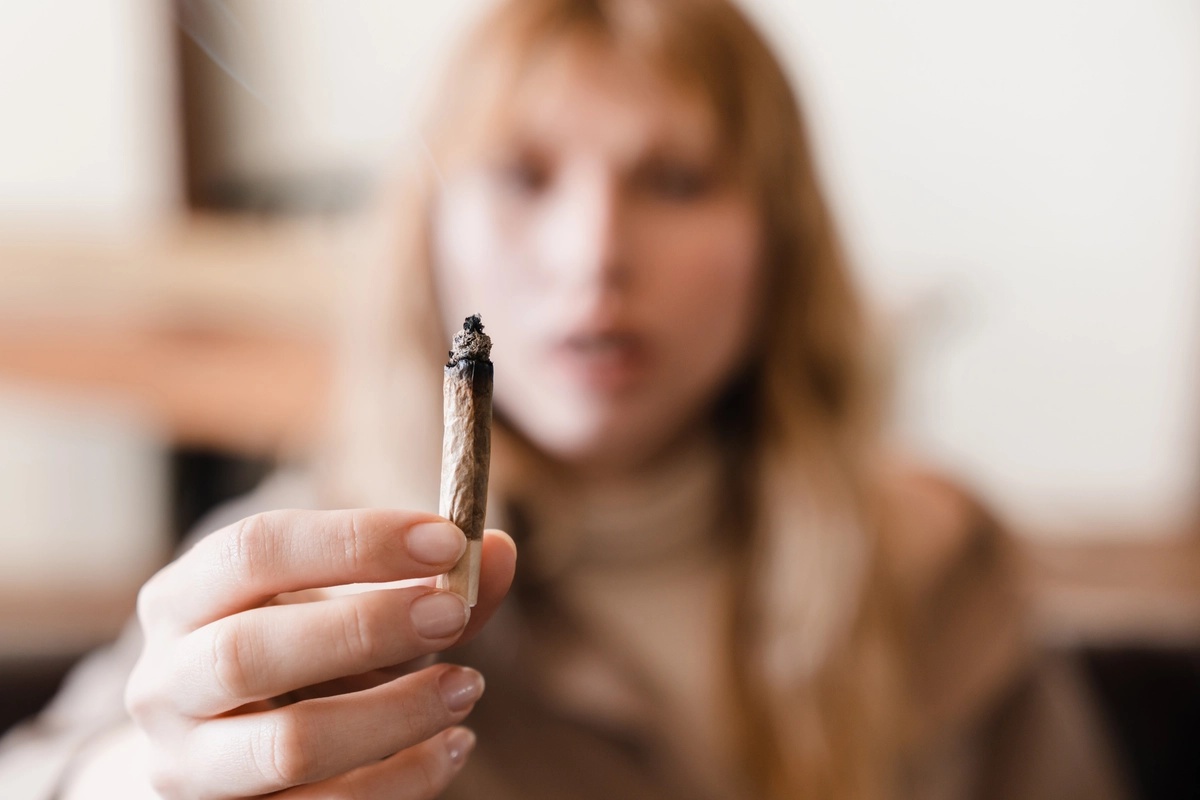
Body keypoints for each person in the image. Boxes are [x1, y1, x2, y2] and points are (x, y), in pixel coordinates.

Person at [0, 0, 1130, 797]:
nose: (594, 255)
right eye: (524, 177)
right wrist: (137, 778)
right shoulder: (308, 584)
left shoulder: (937, 566)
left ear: (778, 242)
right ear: (427, 241)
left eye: (675, 180)